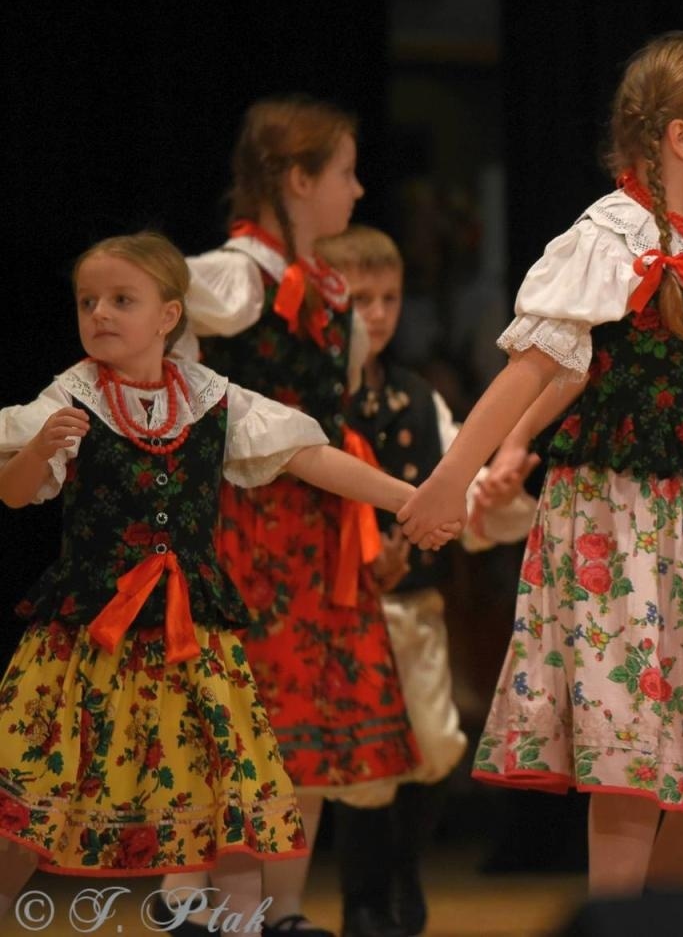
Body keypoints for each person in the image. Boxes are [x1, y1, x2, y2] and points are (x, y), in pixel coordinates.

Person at [397, 33, 683, 897]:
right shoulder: (611, 236)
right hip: (621, 516)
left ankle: (650, 909)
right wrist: (456, 474)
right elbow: (538, 365)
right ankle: (621, 913)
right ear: (679, 136)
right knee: (632, 750)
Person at [0, 233, 442, 925]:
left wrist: (408, 499)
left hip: (193, 644)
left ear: (169, 316)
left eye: (121, 300)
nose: (100, 313)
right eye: (88, 302)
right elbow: (15, 491)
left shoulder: (210, 397)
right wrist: (37, 452)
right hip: (91, 641)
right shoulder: (73, 396)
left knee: (230, 816)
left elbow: (308, 456)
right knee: (26, 815)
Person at [174, 97, 425, 936]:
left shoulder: (324, 289)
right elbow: (150, 334)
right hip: (244, 534)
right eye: (345, 172)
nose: (358, 190)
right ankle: (219, 910)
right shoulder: (229, 279)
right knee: (247, 729)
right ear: (297, 179)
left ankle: (280, 911)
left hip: (316, 537)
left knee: (306, 731)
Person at [318, 225, 535, 936]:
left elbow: (458, 496)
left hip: (415, 608)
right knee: (362, 762)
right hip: (334, 614)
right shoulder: (309, 401)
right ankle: (362, 901)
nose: (377, 314)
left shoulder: (416, 396)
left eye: (389, 298)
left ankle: (404, 874)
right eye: (360, 299)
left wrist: (491, 496)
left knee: (435, 745)